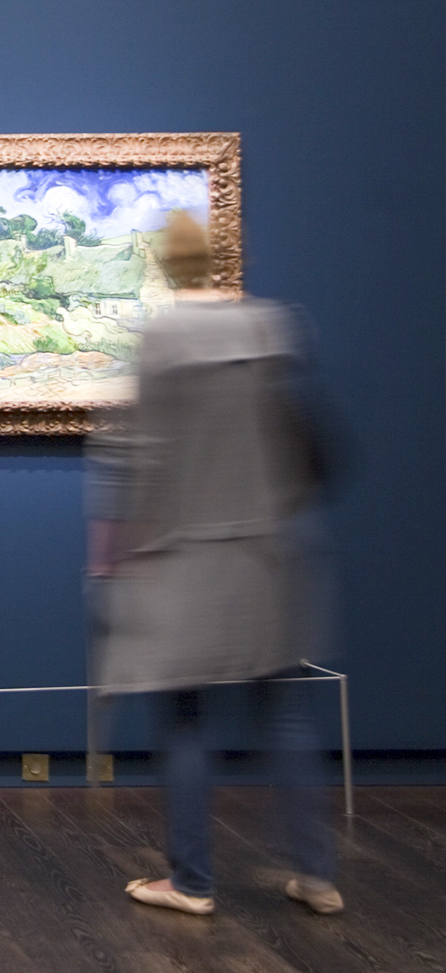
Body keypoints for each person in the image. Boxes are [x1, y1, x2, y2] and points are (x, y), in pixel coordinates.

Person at [93, 210, 343, 917]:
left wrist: (114, 557)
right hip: (270, 553)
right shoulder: (271, 328)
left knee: (184, 719)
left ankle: (193, 881)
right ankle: (317, 874)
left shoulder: (160, 340)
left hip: (186, 560)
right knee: (288, 714)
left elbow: (138, 461)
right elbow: (298, 447)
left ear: (164, 267)